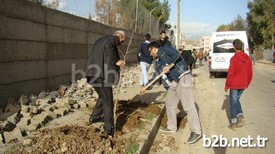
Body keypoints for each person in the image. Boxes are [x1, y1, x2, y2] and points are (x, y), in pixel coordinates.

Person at [141, 42, 202, 144]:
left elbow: (177, 55)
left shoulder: (165, 48)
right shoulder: (159, 62)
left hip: (182, 75)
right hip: (174, 81)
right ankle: (171, 126)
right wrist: (146, 87)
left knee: (188, 105)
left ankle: (196, 131)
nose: (150, 54)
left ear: (154, 49)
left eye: (150, 51)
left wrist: (169, 66)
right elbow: (156, 77)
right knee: (169, 103)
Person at [85, 30, 126, 137]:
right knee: (108, 101)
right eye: (123, 40)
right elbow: (110, 46)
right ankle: (108, 129)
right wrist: (117, 61)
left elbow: (102, 54)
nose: (121, 42)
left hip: (92, 73)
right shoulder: (112, 39)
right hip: (102, 75)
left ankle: (95, 117)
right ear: (120, 36)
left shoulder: (100, 40)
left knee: (103, 96)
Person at [224, 39, 253, 130]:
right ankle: (240, 116)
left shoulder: (234, 59)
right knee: (236, 100)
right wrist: (247, 83)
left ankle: (233, 123)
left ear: (234, 47)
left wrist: (227, 85)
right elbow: (250, 73)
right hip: (243, 83)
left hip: (234, 84)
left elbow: (231, 74)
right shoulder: (248, 58)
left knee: (233, 102)